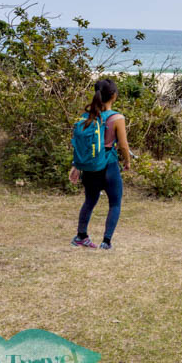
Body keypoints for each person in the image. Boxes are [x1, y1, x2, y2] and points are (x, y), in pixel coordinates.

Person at [70, 78, 131, 250]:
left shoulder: (87, 116)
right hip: (109, 166)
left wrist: (75, 165)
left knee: (89, 201)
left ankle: (81, 236)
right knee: (115, 203)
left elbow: (80, 144)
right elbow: (123, 145)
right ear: (114, 96)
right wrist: (127, 161)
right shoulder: (117, 118)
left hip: (90, 167)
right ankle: (106, 241)